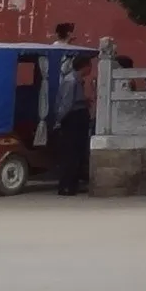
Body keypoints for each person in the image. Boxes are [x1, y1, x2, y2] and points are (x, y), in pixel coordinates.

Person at [50, 50, 94, 196]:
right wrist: (59, 121)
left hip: (78, 116)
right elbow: (66, 103)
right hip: (73, 119)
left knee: (78, 152)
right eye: (90, 66)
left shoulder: (77, 80)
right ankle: (65, 186)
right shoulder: (71, 80)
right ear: (84, 66)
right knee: (71, 153)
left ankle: (73, 184)